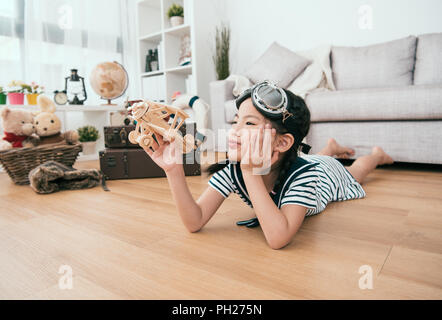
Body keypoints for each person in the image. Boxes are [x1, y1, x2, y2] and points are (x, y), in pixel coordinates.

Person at [142, 80, 393, 249]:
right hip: (300, 158)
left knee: (356, 171)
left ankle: (376, 155)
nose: (235, 131)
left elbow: (278, 238)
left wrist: (252, 173)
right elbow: (194, 221)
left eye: (249, 124)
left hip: (324, 173)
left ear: (282, 143)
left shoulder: (304, 177)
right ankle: (330, 147)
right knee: (317, 155)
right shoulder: (234, 169)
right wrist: (174, 170)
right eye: (236, 121)